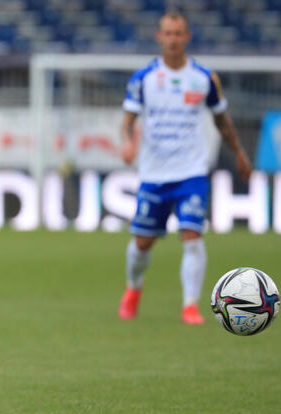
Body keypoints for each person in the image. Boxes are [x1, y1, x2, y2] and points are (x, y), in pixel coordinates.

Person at [117, 11, 252, 324]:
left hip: (191, 172)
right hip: (154, 173)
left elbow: (222, 120)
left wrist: (239, 152)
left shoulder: (204, 78)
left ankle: (190, 305)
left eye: (178, 33)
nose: (173, 39)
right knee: (142, 243)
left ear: (187, 37)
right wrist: (126, 143)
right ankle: (133, 288)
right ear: (159, 37)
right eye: (168, 33)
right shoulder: (144, 78)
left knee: (192, 235)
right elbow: (127, 121)